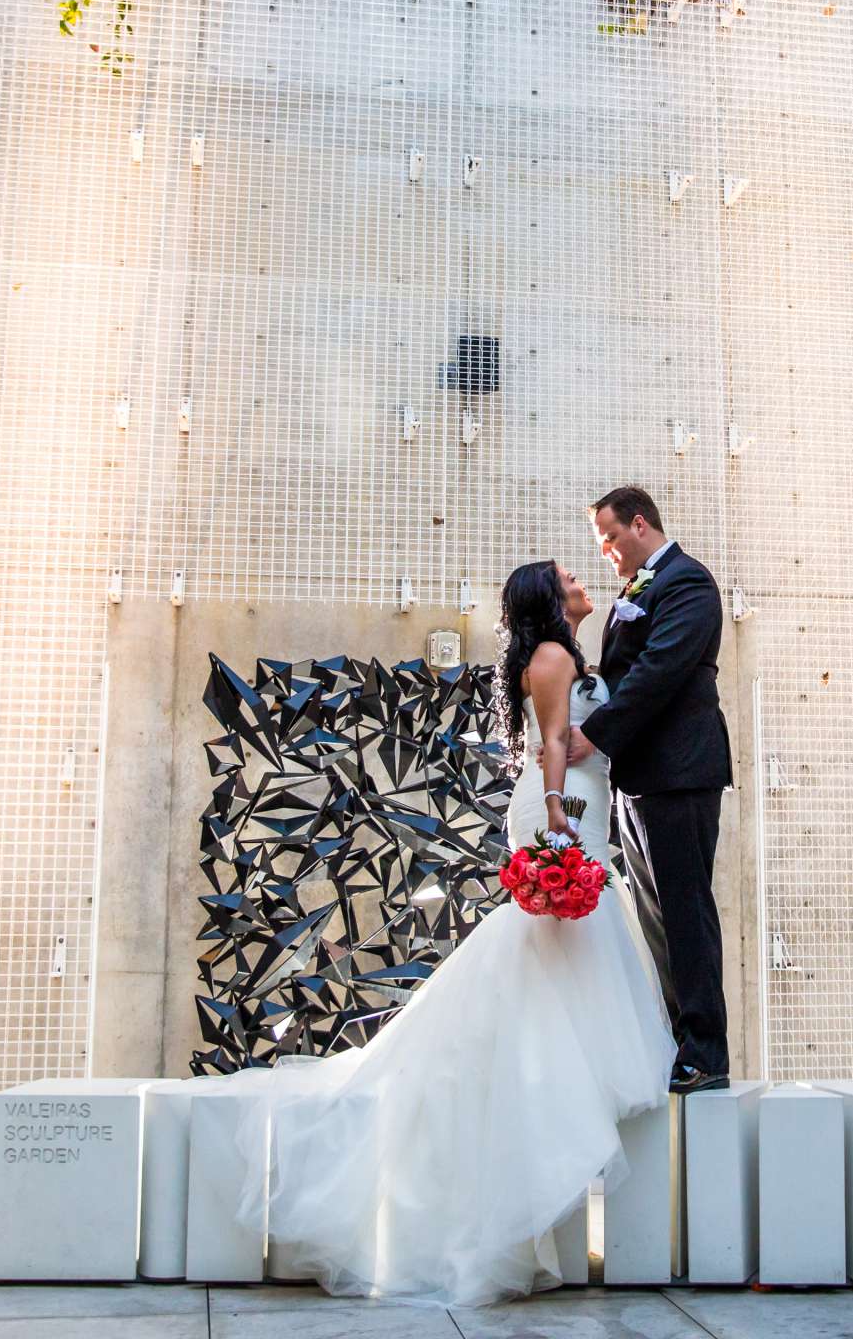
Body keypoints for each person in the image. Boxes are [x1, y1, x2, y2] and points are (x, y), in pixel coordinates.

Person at [211, 560, 674, 1306]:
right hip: (564, 811)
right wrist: (558, 820)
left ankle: (542, 1122)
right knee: (555, 958)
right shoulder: (554, 659)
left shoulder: (568, 654)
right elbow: (554, 740)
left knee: (556, 967)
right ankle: (534, 1120)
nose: (580, 579)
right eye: (566, 578)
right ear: (550, 603)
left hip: (577, 804)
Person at [569, 485, 734, 1093]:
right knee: (656, 914)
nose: (607, 551)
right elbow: (621, 672)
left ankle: (706, 1053)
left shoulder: (688, 583)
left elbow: (660, 668)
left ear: (640, 524)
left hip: (680, 772)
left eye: (610, 537)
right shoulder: (635, 588)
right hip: (640, 780)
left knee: (685, 910)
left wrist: (597, 734)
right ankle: (679, 1040)